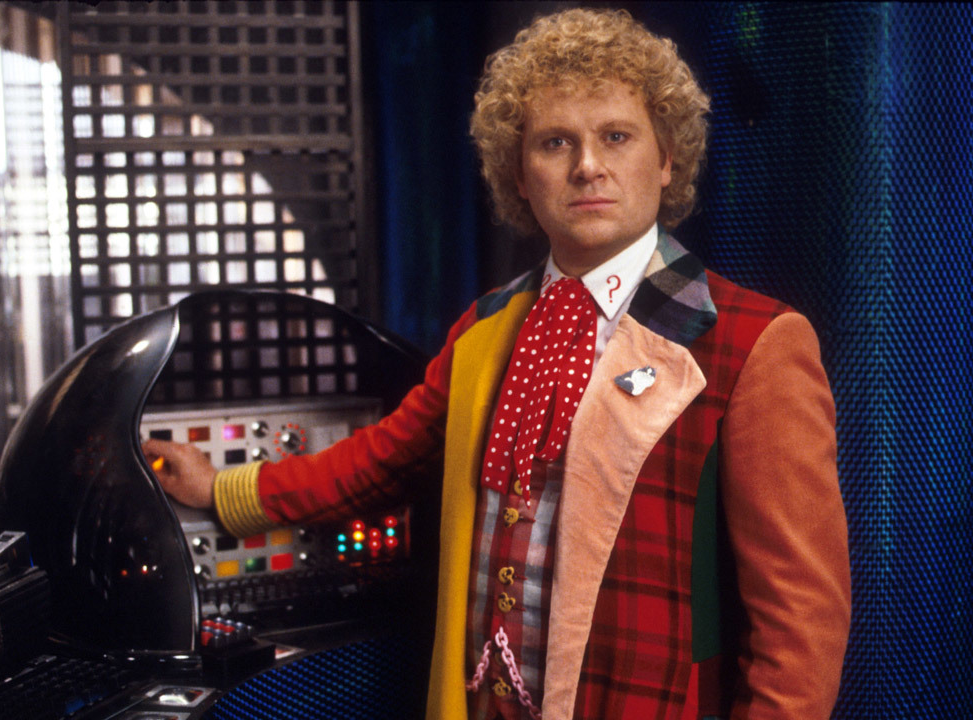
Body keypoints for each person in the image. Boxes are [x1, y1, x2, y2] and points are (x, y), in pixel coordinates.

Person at [144, 8, 850, 720]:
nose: (587, 166)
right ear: (520, 172)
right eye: (555, 142)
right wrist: (223, 490)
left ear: (666, 159)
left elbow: (801, 625)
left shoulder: (754, 344)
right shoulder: (485, 329)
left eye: (616, 135)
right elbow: (376, 463)